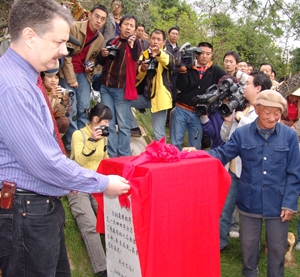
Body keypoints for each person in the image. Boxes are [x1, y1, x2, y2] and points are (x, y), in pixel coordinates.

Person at [0, 1, 130, 276]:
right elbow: (44, 162)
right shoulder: (13, 88)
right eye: (58, 41)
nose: (63, 50)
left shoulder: (26, 79)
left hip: (39, 207)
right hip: (26, 212)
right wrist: (102, 182)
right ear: (30, 36)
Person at [207, 90, 300, 277]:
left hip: (278, 201)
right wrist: (196, 155)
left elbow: (294, 173)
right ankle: (250, 273)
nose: (273, 118)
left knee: (277, 248)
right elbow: (222, 153)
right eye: (268, 112)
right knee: (248, 247)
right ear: (256, 109)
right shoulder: (242, 134)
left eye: (277, 113)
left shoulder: (289, 136)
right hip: (250, 201)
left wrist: (290, 203)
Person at [218, 70, 272, 250]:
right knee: (225, 208)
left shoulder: (266, 110)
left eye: (248, 83)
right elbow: (227, 138)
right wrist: (227, 122)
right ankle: (219, 242)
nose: (244, 87)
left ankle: (252, 250)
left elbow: (260, 133)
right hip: (232, 169)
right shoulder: (243, 108)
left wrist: (240, 119)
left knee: (251, 214)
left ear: (258, 88)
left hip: (252, 172)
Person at [68, 103, 112, 277]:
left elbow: (105, 158)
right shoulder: (79, 135)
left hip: (98, 183)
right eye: (106, 122)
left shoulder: (105, 137)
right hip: (78, 185)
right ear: (96, 120)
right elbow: (79, 161)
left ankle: (118, 261)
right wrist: (92, 141)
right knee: (90, 226)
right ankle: (102, 269)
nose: (107, 125)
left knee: (108, 221)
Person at [59, 4, 108, 151]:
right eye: (97, 16)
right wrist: (71, 78)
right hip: (68, 72)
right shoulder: (74, 27)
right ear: (90, 15)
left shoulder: (99, 38)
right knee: (70, 110)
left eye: (103, 19)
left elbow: (92, 58)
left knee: (84, 109)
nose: (99, 21)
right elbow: (65, 54)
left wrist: (90, 66)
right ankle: (72, 145)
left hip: (84, 74)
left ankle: (83, 142)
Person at [97, 14, 142, 157]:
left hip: (121, 90)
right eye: (125, 24)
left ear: (135, 29)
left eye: (131, 25)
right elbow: (102, 62)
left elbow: (136, 55)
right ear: (120, 26)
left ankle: (123, 155)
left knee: (123, 125)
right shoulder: (112, 41)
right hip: (106, 87)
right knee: (108, 122)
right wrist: (103, 54)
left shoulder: (135, 43)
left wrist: (132, 44)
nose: (128, 27)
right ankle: (111, 154)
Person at [171, 42, 226, 150]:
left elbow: (226, 78)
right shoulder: (189, 64)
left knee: (195, 146)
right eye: (202, 53)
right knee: (176, 142)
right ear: (196, 53)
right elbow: (181, 86)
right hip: (182, 109)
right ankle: (172, 165)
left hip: (199, 113)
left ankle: (192, 166)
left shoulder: (214, 69)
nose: (205, 56)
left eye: (208, 53)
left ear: (212, 55)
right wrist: (182, 71)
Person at [130, 29, 174, 141]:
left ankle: (161, 157)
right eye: (153, 38)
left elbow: (170, 64)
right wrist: (142, 69)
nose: (155, 41)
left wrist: (158, 53)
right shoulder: (144, 55)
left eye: (158, 39)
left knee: (158, 133)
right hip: (145, 96)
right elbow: (136, 76)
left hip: (160, 99)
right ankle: (134, 127)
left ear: (164, 42)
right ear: (149, 39)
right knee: (123, 100)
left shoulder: (167, 55)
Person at [41, 64, 71, 136]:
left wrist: (64, 102)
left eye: (56, 77)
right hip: (40, 122)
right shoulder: (39, 91)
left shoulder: (57, 91)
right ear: (42, 78)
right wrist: (50, 97)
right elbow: (42, 112)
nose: (53, 80)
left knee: (64, 121)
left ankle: (55, 142)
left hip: (51, 122)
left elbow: (60, 114)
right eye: (49, 77)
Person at [165, 26, 180, 129]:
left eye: (176, 34)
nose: (174, 35)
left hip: (176, 78)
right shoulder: (164, 45)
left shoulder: (180, 49)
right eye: (173, 33)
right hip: (165, 75)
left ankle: (168, 121)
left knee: (173, 99)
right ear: (169, 34)